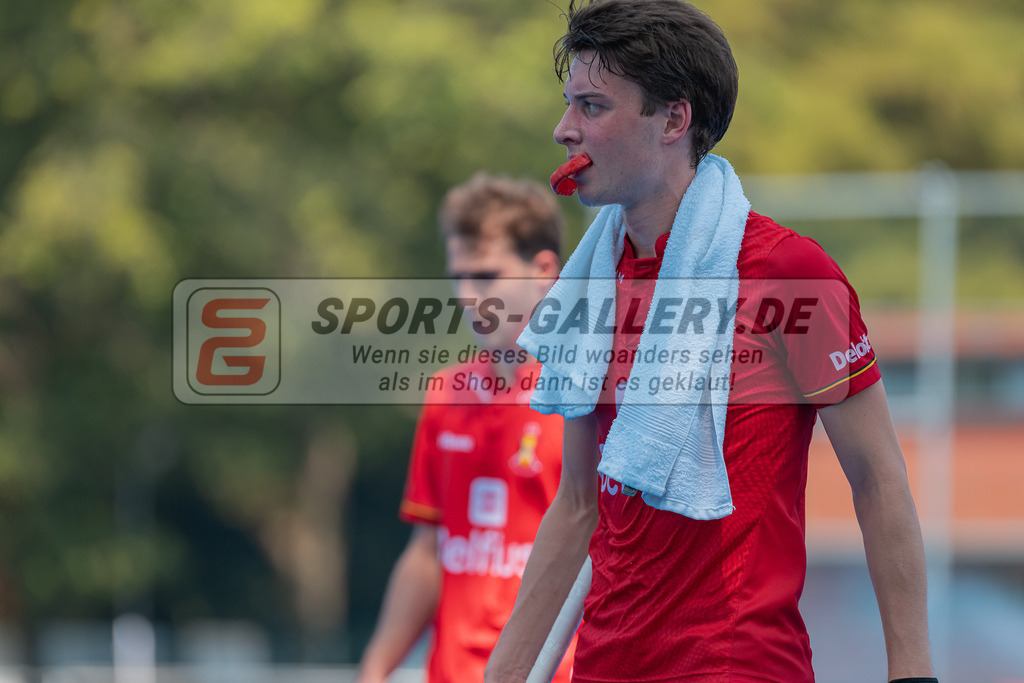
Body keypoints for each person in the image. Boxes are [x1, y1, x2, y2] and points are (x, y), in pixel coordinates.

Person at [486, 2, 936, 682]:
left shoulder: (790, 272)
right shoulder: (591, 284)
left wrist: (913, 672)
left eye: (592, 106)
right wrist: (501, 675)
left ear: (674, 119)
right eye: (568, 103)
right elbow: (578, 503)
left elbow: (877, 480)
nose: (563, 128)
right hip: (603, 664)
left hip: (738, 665)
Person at [357, 174, 576, 683]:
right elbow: (428, 551)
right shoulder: (445, 392)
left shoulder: (587, 395)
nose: (469, 296)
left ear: (544, 271)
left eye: (486, 276)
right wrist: (373, 671)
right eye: (459, 278)